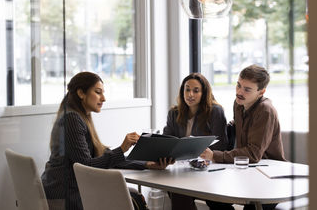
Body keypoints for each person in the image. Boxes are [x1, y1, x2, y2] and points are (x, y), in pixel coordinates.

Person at [41, 71, 174, 210]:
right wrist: (122, 149)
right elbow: (86, 166)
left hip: (67, 189)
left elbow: (103, 157)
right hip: (66, 196)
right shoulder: (72, 120)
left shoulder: (78, 117)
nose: (103, 98)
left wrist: (147, 164)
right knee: (132, 198)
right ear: (81, 93)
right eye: (98, 92)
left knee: (133, 196)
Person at [200, 64, 286, 210]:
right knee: (213, 196)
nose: (239, 92)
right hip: (246, 170)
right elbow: (240, 126)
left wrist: (215, 155)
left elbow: (253, 153)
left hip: (269, 175)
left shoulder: (265, 110)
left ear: (261, 92)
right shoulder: (239, 104)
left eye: (247, 89)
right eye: (238, 85)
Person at [163, 72, 229, 210]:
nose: (190, 94)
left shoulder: (215, 111)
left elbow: (222, 145)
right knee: (177, 190)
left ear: (204, 93)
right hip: (182, 170)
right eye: (187, 89)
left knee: (216, 202)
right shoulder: (174, 113)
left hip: (208, 170)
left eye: (196, 90)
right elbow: (166, 141)